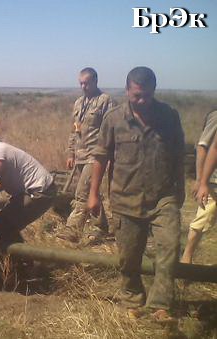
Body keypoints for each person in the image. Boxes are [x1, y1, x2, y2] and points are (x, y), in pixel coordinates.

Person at [87, 67, 185, 321]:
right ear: (127, 91)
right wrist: (93, 194)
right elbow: (100, 157)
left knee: (169, 247)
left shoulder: (169, 117)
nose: (141, 101)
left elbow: (178, 156)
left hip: (163, 197)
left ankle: (160, 305)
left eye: (147, 96)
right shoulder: (114, 119)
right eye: (136, 96)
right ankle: (132, 298)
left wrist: (180, 190)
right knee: (129, 257)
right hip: (124, 198)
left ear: (154, 91)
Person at [60, 67, 115, 245]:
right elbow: (73, 130)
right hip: (80, 154)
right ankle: (102, 226)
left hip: (96, 155)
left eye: (87, 83)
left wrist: (108, 155)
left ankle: (72, 231)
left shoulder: (105, 101)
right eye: (81, 83)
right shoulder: (78, 103)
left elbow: (110, 130)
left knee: (82, 194)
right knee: (92, 193)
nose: (83, 86)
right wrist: (71, 152)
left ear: (95, 81)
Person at [182, 109, 217, 264]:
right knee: (202, 220)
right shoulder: (215, 116)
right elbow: (204, 146)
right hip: (214, 181)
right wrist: (200, 180)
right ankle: (187, 257)